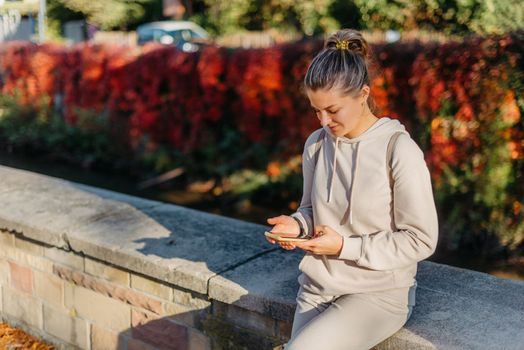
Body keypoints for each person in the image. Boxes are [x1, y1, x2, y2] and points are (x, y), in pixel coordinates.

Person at [266, 28, 439, 350]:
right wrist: (297, 225)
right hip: (317, 286)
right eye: (316, 110)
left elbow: (421, 239)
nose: (323, 121)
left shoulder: (398, 150)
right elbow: (310, 209)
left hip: (377, 294)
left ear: (363, 94)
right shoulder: (317, 144)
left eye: (332, 110)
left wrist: (344, 247)